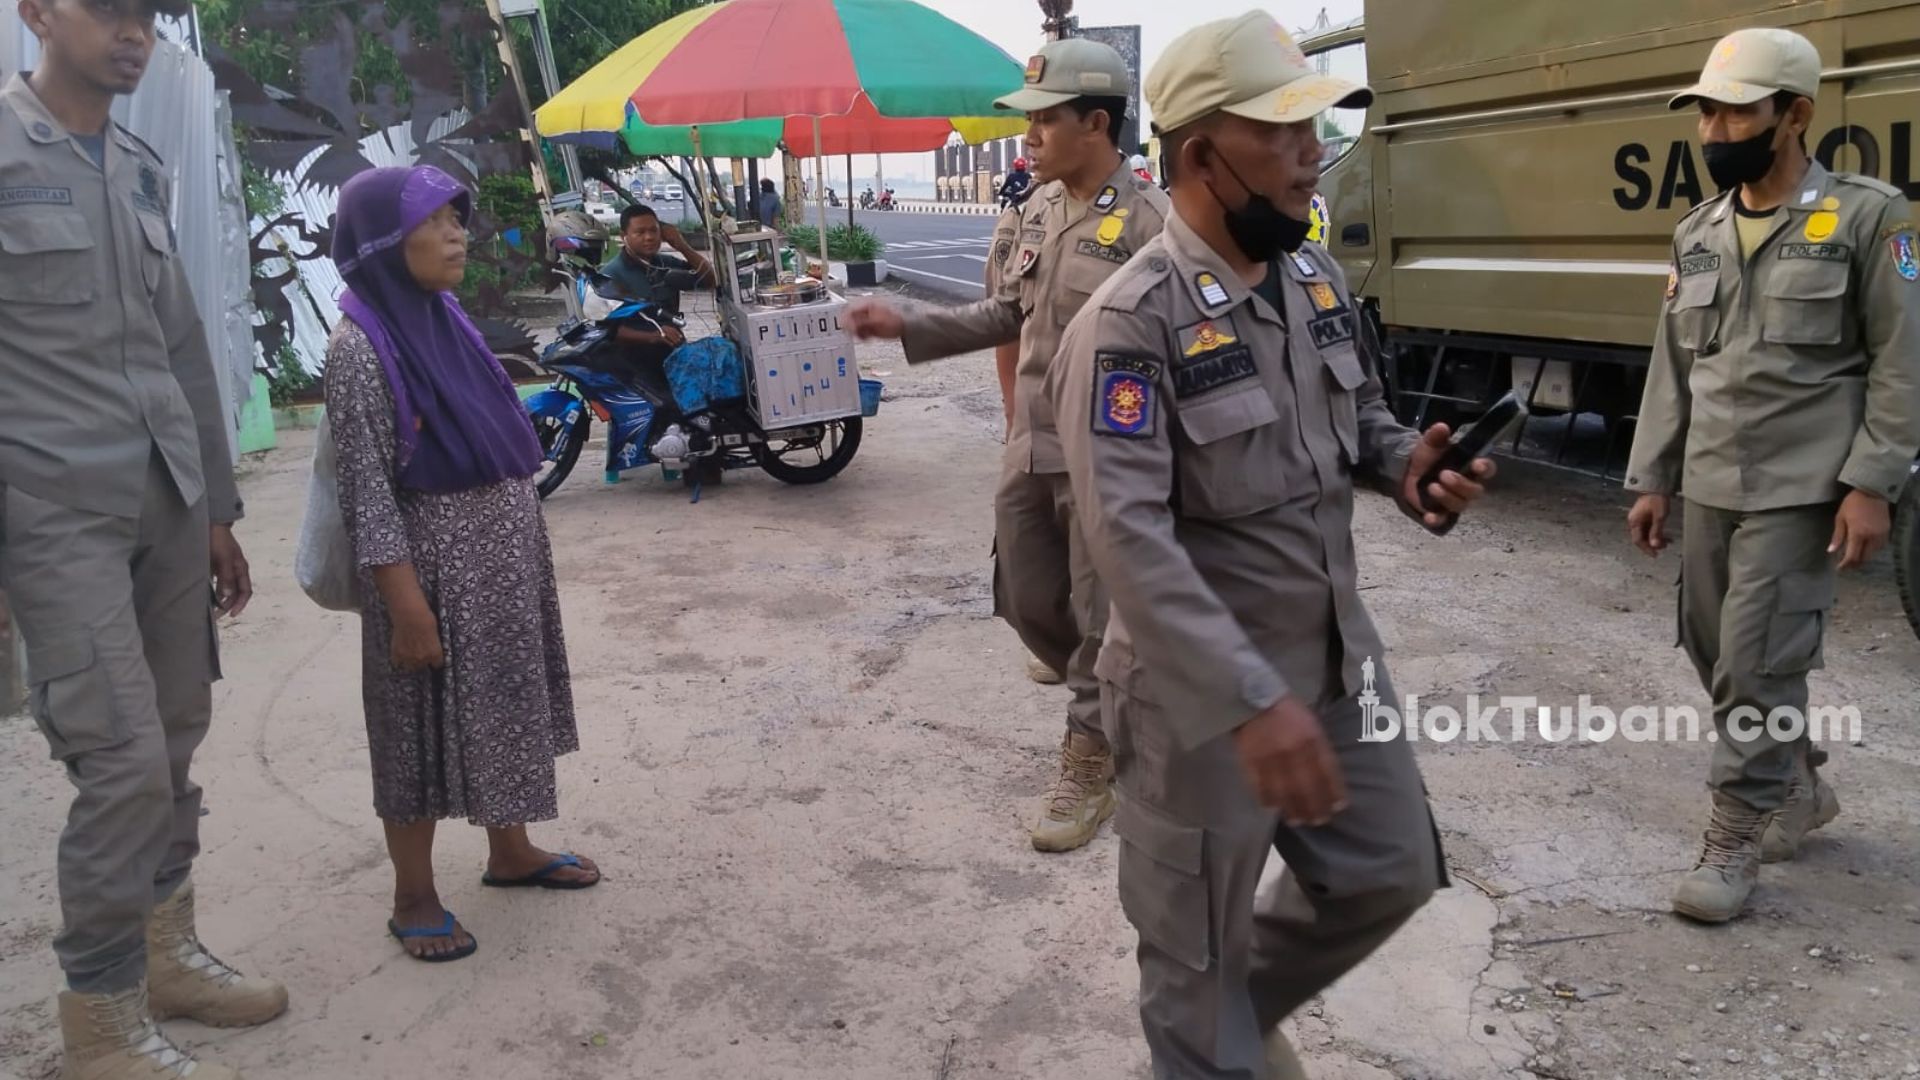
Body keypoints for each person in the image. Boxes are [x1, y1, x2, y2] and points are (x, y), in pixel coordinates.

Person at [1051, 13, 1496, 1077]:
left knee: (1387, 870)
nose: (1313, 156)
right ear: (1203, 153)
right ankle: (1214, 1030)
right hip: (1197, 703)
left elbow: (1362, 422)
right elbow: (1129, 538)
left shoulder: (1314, 282)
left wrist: (1408, 466)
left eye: (1316, 131)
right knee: (1192, 959)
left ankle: (1229, 1020)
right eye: (1286, 133)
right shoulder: (1131, 323)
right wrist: (1249, 700)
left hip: (1336, 662)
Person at [0, 0, 287, 1076]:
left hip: (165, 503)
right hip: (51, 517)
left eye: (144, 15)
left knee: (172, 736)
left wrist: (215, 506)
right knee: (119, 765)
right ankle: (102, 1019)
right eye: (105, 8)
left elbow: (182, 349)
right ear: (36, 10)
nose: (132, 32)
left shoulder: (135, 160)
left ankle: (167, 958)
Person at [847, 37, 1171, 853]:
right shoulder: (1035, 208)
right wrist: (907, 323)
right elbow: (1006, 314)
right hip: (1033, 441)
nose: (1027, 134)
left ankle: (1090, 761)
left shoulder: (1153, 224)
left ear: (1095, 123)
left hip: (1111, 456)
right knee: (1026, 600)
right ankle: (1127, 696)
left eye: (1044, 119)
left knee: (1102, 619)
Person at [1625, 27, 1920, 924]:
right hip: (1713, 477)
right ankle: (1795, 782)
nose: (1715, 131)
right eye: (1707, 113)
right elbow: (1674, 365)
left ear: (1795, 115)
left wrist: (1874, 483)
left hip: (1803, 484)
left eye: (1735, 111)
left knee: (1757, 664)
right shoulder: (1698, 231)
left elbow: (1902, 358)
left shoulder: (1871, 218)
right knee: (1715, 653)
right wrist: (1654, 477)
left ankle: (1733, 838)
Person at [325, 166, 602, 965]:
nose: (458, 236)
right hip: (429, 577)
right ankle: (413, 894)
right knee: (415, 727)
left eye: (458, 219)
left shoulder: (441, 317)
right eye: (437, 221)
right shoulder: (361, 348)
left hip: (498, 564)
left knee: (505, 707)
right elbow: (369, 495)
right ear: (382, 239)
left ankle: (509, 850)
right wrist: (405, 604)